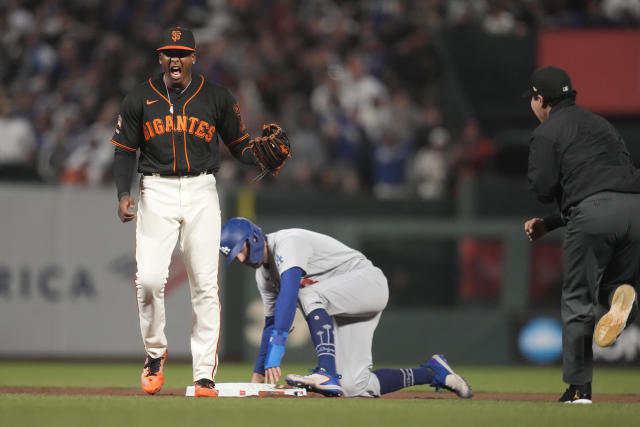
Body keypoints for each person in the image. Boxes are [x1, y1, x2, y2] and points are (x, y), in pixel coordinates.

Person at [111, 27, 278, 397]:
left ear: (193, 57)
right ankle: (155, 354)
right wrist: (124, 192)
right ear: (160, 58)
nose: (175, 58)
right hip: (156, 189)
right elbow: (124, 150)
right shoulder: (139, 98)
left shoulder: (216, 96)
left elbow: (240, 146)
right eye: (169, 52)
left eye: (182, 52)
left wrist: (260, 156)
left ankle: (204, 374)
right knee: (150, 281)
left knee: (205, 285)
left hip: (203, 190)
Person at [219, 217, 472, 398]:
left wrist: (278, 349)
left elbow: (288, 295)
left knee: (306, 295)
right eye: (234, 257)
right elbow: (271, 323)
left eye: (240, 250)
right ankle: (432, 372)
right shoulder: (262, 276)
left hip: (367, 283)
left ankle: (326, 371)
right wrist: (258, 373)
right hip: (344, 306)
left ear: (253, 238)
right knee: (353, 386)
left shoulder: (287, 242)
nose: (240, 259)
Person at [522, 66, 640, 404]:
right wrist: (552, 221)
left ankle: (579, 389)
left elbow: (543, 187)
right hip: (635, 206)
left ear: (540, 99)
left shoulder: (548, 130)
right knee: (620, 287)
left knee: (578, 300)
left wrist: (552, 205)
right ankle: (625, 303)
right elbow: (609, 179)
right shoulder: (602, 124)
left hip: (593, 213)